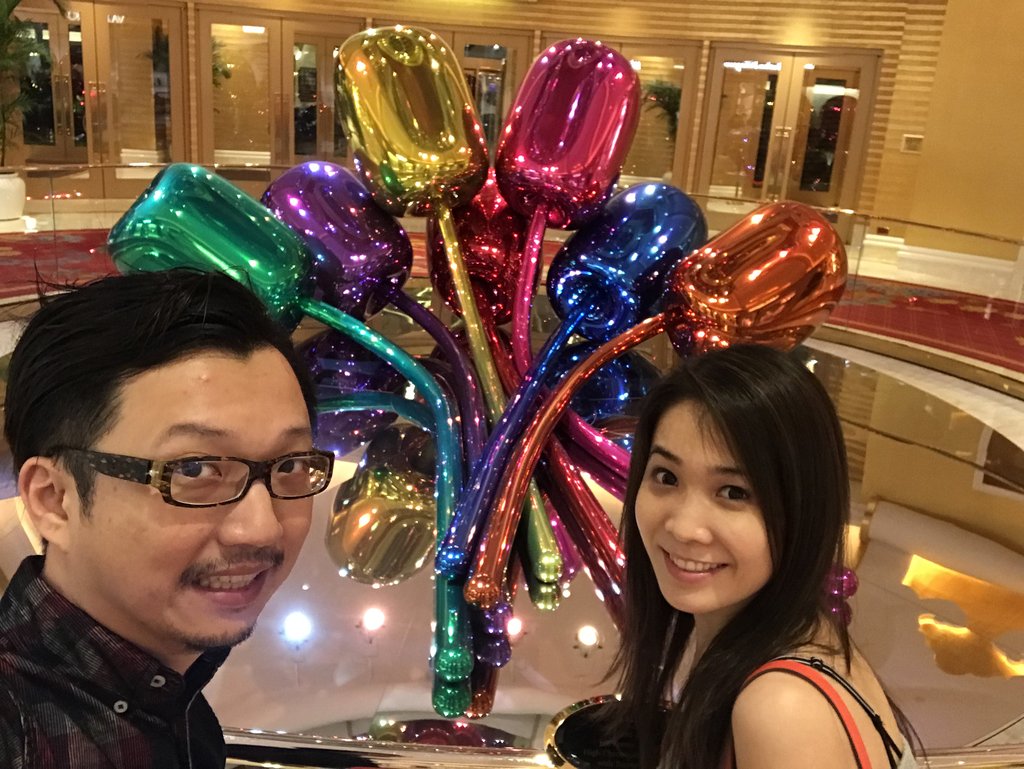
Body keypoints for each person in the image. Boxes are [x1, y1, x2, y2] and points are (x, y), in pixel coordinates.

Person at [0, 269, 334, 768]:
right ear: (55, 500)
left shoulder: (170, 694)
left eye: (289, 465)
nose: (262, 528)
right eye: (194, 469)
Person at [608, 344, 918, 769]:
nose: (683, 527)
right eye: (667, 476)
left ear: (801, 509)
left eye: (733, 492)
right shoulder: (787, 635)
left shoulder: (782, 710)